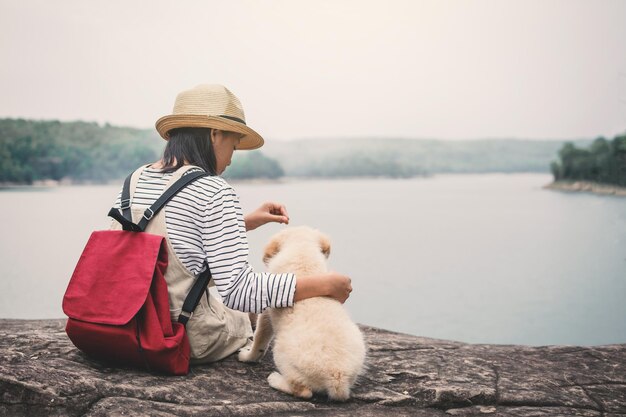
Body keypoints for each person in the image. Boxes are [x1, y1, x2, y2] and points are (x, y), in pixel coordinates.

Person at [111, 84, 352, 363]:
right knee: (250, 315)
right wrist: (323, 284)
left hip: (124, 323)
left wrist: (243, 223)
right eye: (233, 145)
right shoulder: (214, 190)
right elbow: (240, 291)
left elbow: (165, 240)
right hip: (174, 334)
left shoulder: (135, 179)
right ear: (215, 134)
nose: (232, 158)